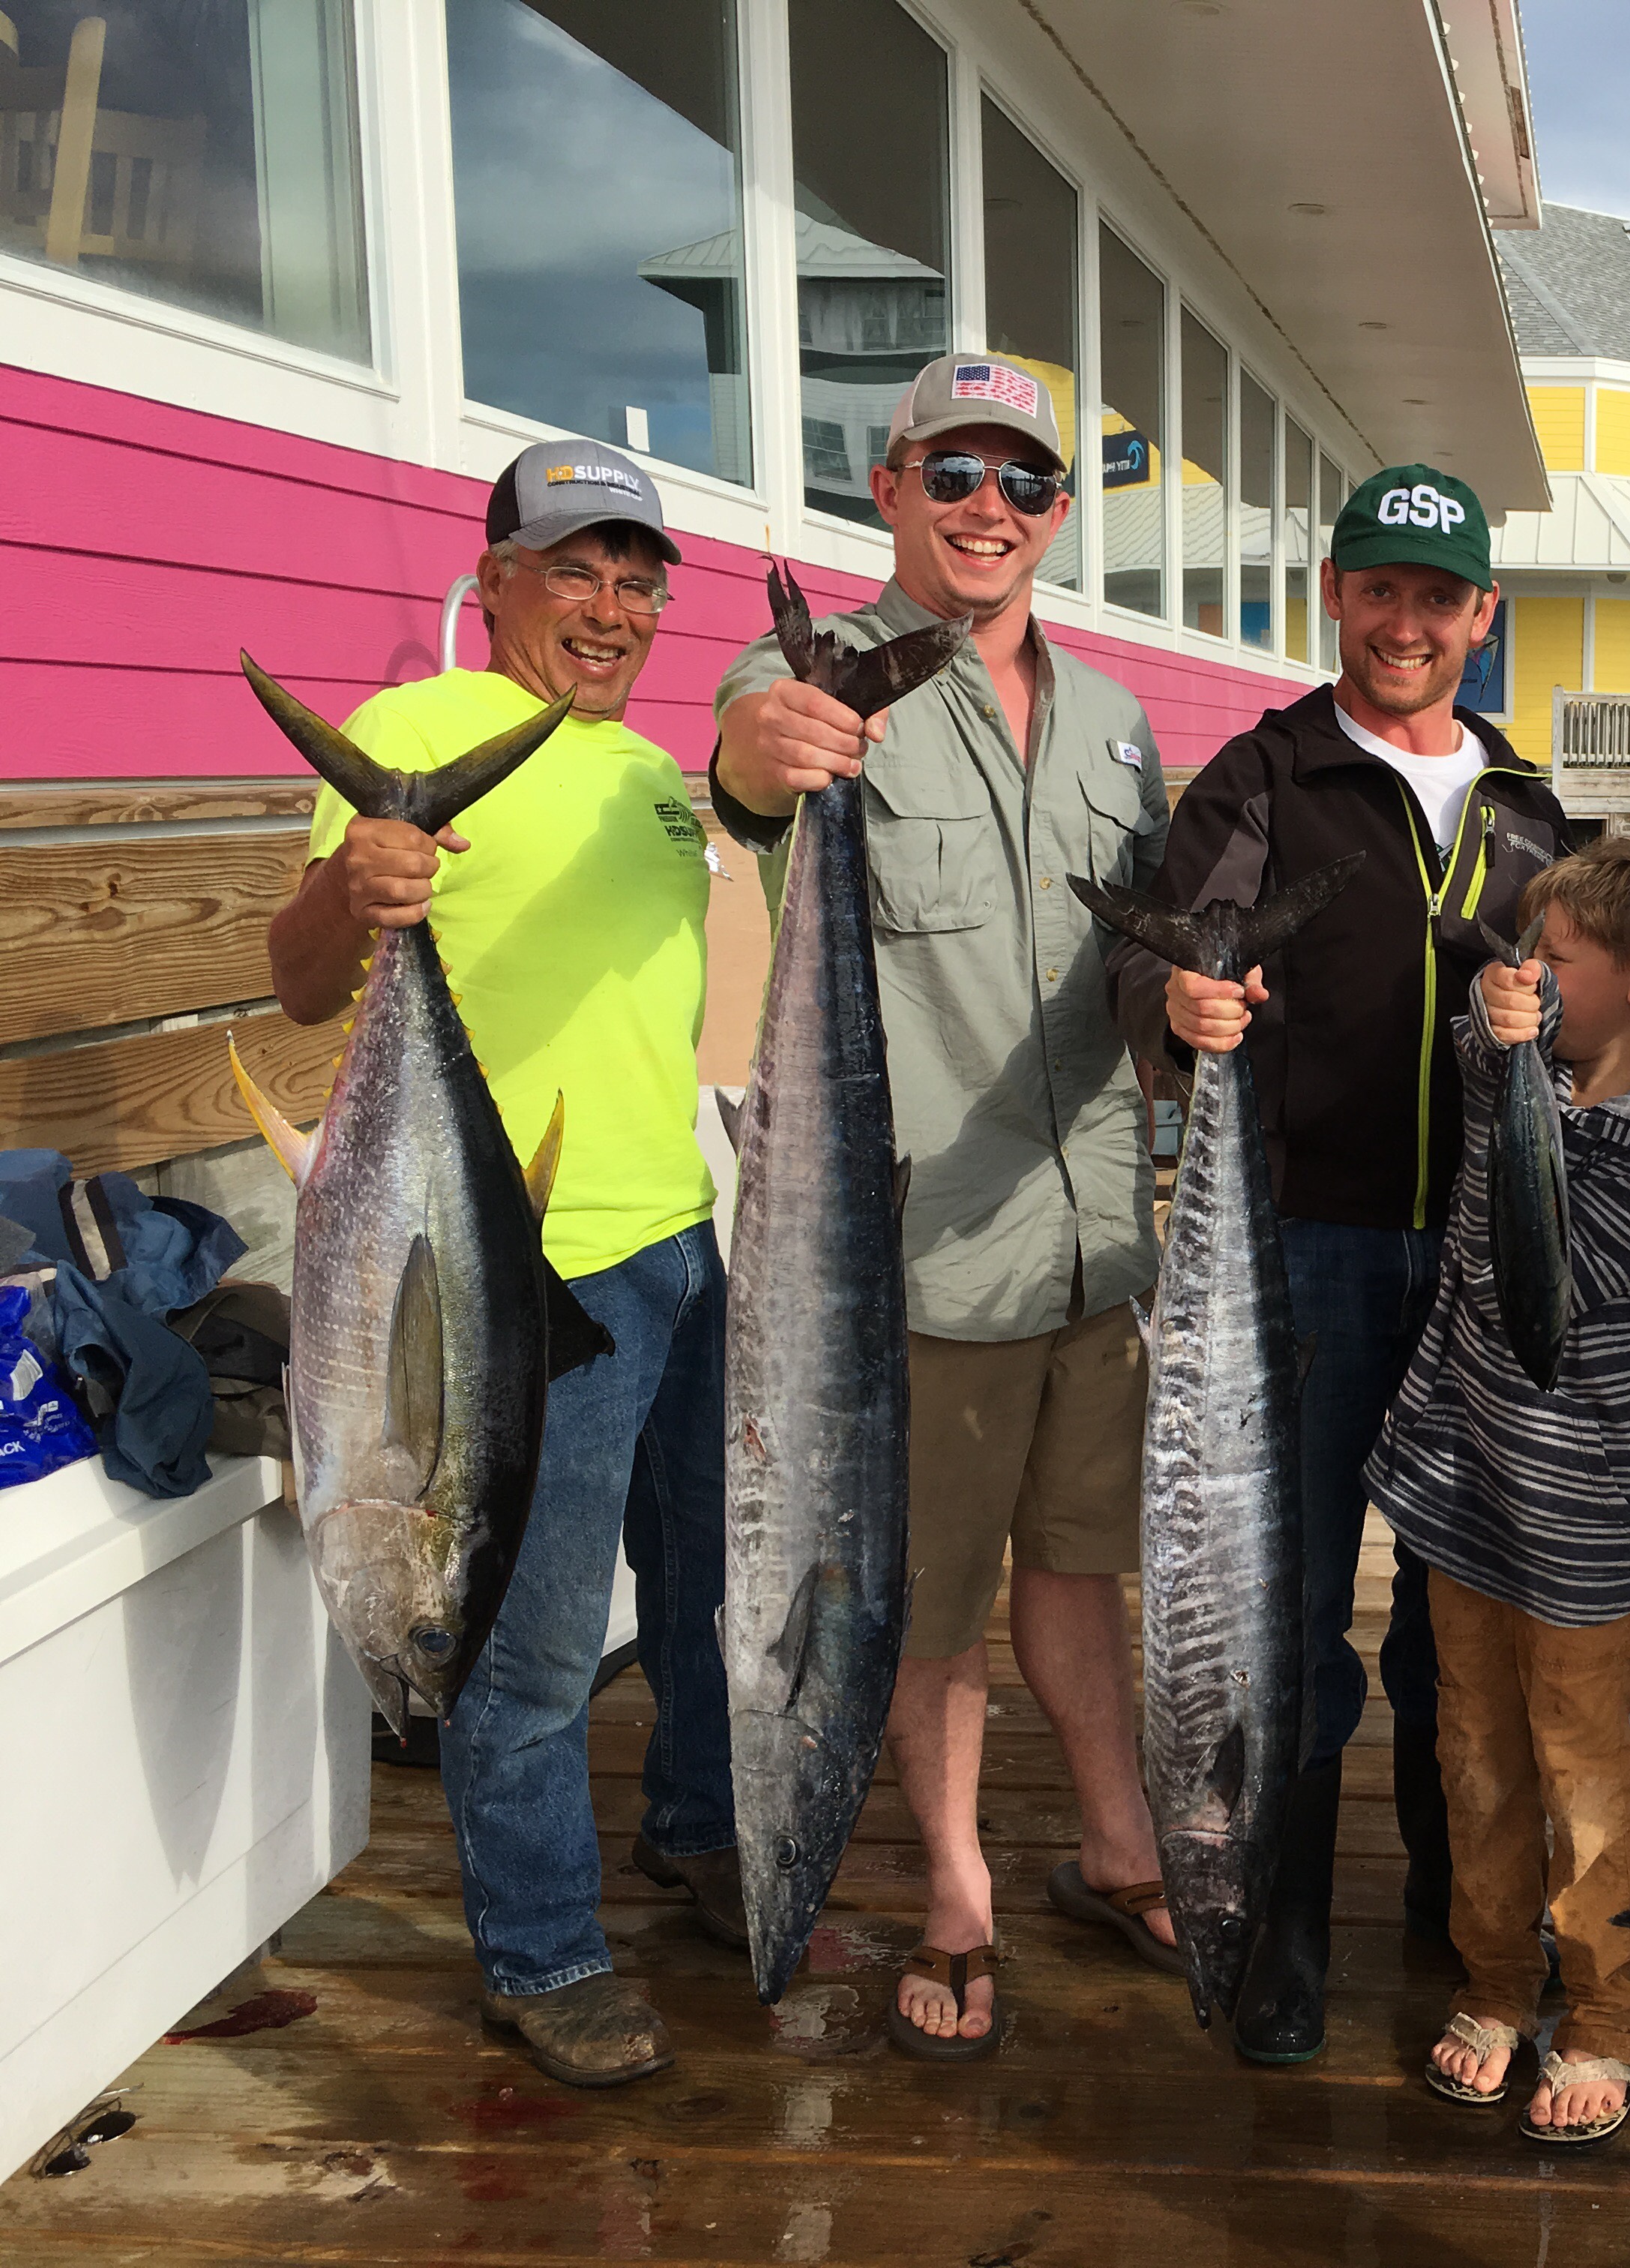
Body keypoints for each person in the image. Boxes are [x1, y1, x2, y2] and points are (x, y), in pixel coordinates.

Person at [708, 354, 1176, 2060]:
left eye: (1025, 483)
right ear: (890, 485)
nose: (991, 508)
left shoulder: (1119, 721)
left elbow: (1145, 943)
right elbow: (751, 761)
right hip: (909, 1256)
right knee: (928, 1601)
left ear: (1061, 512)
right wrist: (776, 747)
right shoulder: (811, 674)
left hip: (1099, 1234)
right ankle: (961, 1887)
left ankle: (1119, 1849)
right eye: (954, 474)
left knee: (1075, 1570)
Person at [268, 439, 734, 2089]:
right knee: (523, 1638)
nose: (608, 609)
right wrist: (356, 880)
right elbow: (307, 982)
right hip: (510, 1273)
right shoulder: (410, 737)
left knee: (705, 1589)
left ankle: (697, 1830)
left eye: (634, 578)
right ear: (496, 581)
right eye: (572, 571)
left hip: (681, 1236)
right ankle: (541, 1951)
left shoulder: (657, 772)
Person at [1104, 464, 1568, 2065]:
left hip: (1486, 1261)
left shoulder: (1524, 805)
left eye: (1438, 599)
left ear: (1479, 618)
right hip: (1301, 1251)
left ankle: (1464, 1920)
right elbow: (1153, 959)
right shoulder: (1264, 779)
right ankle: (1275, 1923)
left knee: (1462, 1611)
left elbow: (1579, 1008)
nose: (1407, 624)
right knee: (1282, 1596)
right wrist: (1178, 1010)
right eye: (1381, 591)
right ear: (1336, 597)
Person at [1369, 836, 1630, 2148]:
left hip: (1585, 1531)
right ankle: (1497, 1980)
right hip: (1469, 1501)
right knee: (1478, 1763)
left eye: (1552, 961)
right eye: (1522, 958)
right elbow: (1474, 1048)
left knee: (1583, 1780)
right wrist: (1499, 1030)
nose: (1528, 978)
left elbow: (1557, 1267)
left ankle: (1609, 2012)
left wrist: (1521, 1074)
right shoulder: (1513, 1065)